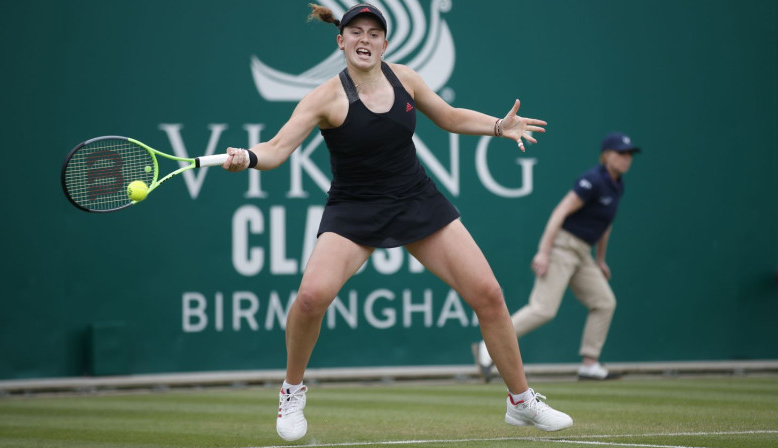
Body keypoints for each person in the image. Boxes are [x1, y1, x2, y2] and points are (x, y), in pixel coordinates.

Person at [223, 3, 573, 441]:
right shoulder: (323, 98)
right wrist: (248, 158)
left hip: (415, 199)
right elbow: (275, 149)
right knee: (311, 299)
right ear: (341, 41)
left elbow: (449, 117)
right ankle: (292, 392)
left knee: (488, 294)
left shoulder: (404, 78)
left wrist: (498, 127)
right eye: (356, 33)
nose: (364, 39)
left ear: (385, 43)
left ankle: (521, 402)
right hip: (354, 208)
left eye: (374, 33)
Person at [473, 132, 641, 382]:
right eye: (621, 153)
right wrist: (544, 251)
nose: (626, 159)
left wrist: (600, 259)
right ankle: (488, 347)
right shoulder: (592, 180)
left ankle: (589, 364)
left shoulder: (618, 186)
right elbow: (559, 213)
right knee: (543, 309)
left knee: (604, 302)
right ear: (606, 156)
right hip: (562, 247)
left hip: (583, 253)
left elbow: (606, 225)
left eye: (629, 154)